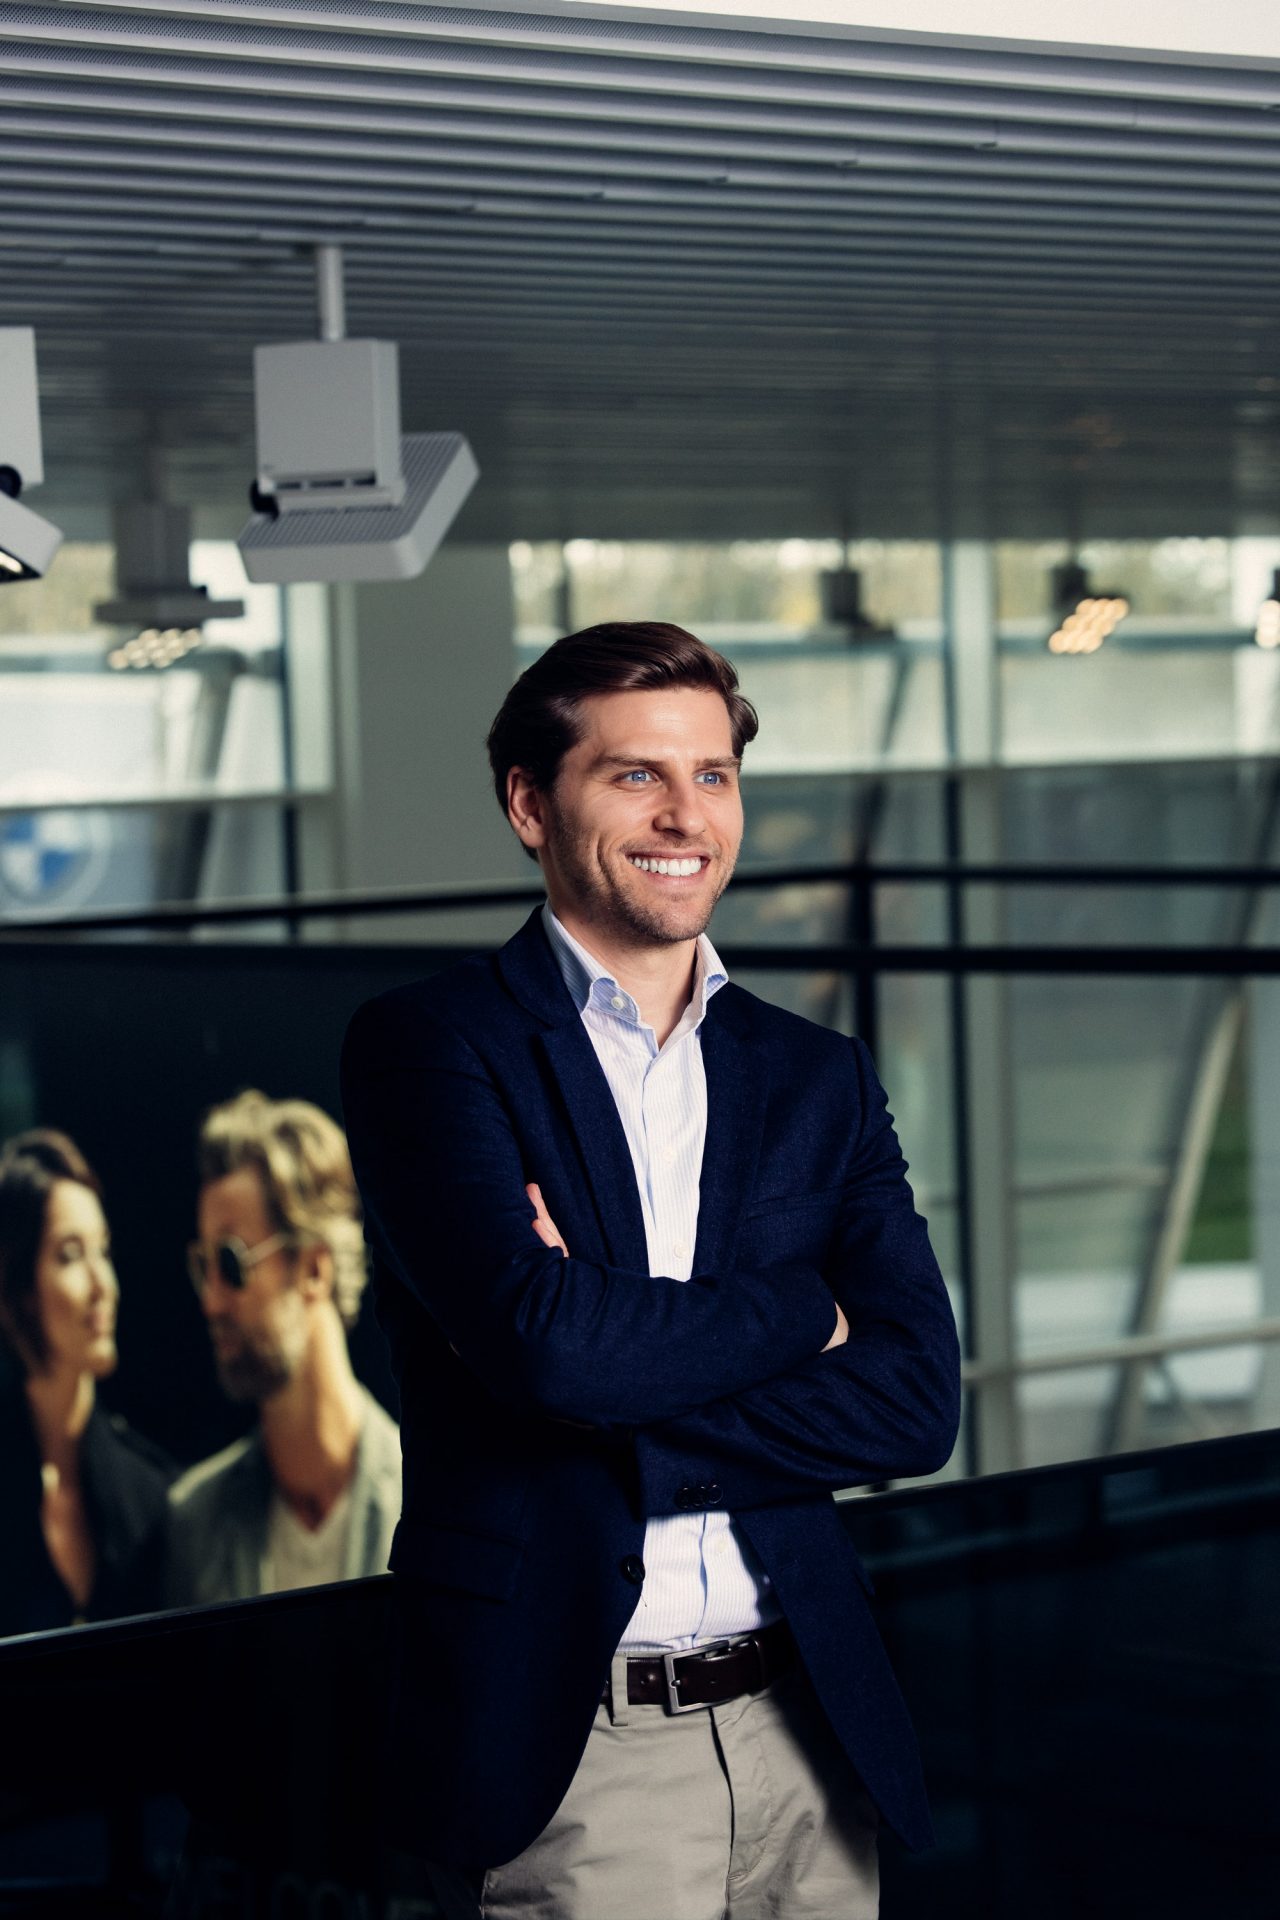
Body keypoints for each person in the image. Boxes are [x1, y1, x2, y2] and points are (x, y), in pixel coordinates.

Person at [340, 622, 961, 1919]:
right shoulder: (431, 1049)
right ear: (530, 804)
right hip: (575, 1751)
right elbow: (550, 1351)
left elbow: (914, 1407)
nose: (686, 816)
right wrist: (805, 1310)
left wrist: (611, 1371)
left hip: (806, 1728)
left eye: (712, 775)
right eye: (635, 775)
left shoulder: (816, 1076)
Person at [167, 1091, 400, 1607]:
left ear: (314, 1268)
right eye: (202, 1266)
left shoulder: (430, 1497)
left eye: (230, 1262)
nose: (210, 1301)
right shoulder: (193, 1522)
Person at [0, 1129, 170, 1639]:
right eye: (71, 1254)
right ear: (20, 1286)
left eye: (105, 1252)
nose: (104, 1286)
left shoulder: (156, 1494)